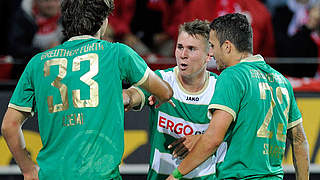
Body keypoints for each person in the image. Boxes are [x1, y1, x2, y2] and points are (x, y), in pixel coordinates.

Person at [1, 0, 173, 179]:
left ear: (65, 20)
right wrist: (132, 95)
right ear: (103, 22)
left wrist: (28, 169)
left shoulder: (37, 63)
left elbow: (9, 125)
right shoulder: (117, 53)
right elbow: (165, 92)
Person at [166, 13, 309, 180]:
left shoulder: (232, 75)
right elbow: (299, 140)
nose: (211, 53)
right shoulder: (282, 81)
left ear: (227, 46)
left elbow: (213, 139)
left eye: (212, 45)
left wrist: (176, 175)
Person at [124, 19, 219, 179]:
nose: (183, 55)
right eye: (180, 47)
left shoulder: (220, 88)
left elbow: (241, 131)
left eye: (191, 49)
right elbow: (133, 95)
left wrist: (204, 140)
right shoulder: (161, 81)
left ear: (208, 54)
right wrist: (124, 98)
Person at [8, 0, 64, 79]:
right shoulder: (24, 16)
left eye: (55, 1)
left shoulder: (68, 18)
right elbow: (15, 48)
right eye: (46, 1)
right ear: (35, 2)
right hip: (29, 74)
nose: (51, 5)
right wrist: (45, 52)